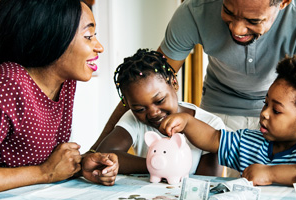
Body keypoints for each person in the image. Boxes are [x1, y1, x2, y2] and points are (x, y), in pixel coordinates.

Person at [93, 0, 296, 193]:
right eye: (228, 11)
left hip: (286, 112)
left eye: (253, 20)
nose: (237, 29)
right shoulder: (195, 10)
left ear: (284, 2)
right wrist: (95, 153)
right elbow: (145, 82)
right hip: (217, 112)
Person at [0, 0, 118, 198]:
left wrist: (80, 165)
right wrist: (45, 173)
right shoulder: (5, 83)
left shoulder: (65, 83)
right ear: (51, 36)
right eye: (88, 36)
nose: (99, 47)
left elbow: (44, 164)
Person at [159, 53, 296, 186]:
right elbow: (212, 139)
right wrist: (187, 122)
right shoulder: (250, 142)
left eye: (276, 110)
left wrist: (270, 174)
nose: (264, 113)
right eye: (266, 104)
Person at [93, 49, 225, 176]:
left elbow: (206, 180)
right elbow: (104, 155)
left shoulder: (211, 124)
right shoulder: (134, 119)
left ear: (174, 83)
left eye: (160, 100)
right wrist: (155, 165)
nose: (153, 113)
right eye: (140, 109)